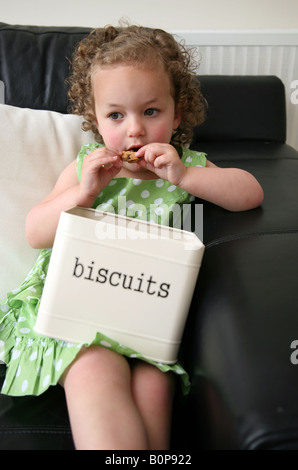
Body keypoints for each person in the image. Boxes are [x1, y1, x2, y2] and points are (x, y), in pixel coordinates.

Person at [0, 24, 264, 450]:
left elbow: (250, 194)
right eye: (117, 116)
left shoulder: (187, 168)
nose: (135, 131)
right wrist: (83, 192)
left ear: (177, 114)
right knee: (96, 368)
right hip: (78, 307)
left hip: (146, 313)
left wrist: (186, 175)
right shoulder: (87, 167)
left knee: (154, 383)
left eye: (151, 112)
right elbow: (34, 232)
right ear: (96, 120)